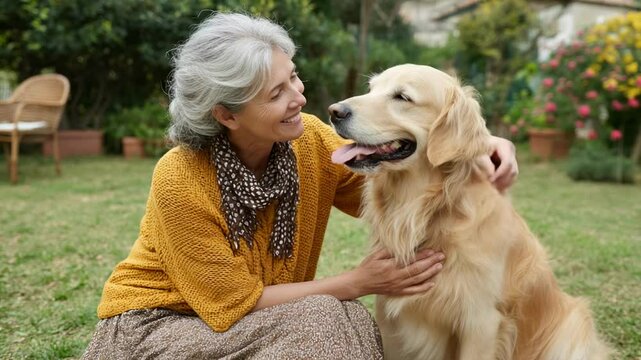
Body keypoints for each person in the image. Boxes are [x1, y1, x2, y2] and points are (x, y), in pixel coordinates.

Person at [83, 12, 519, 359]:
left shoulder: (308, 142)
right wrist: (358, 281)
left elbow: (407, 181)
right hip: (160, 327)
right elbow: (230, 305)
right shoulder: (180, 180)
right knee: (328, 318)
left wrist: (476, 140)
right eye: (276, 93)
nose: (300, 96)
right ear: (227, 115)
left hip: (264, 317)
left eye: (293, 76)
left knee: (347, 321)